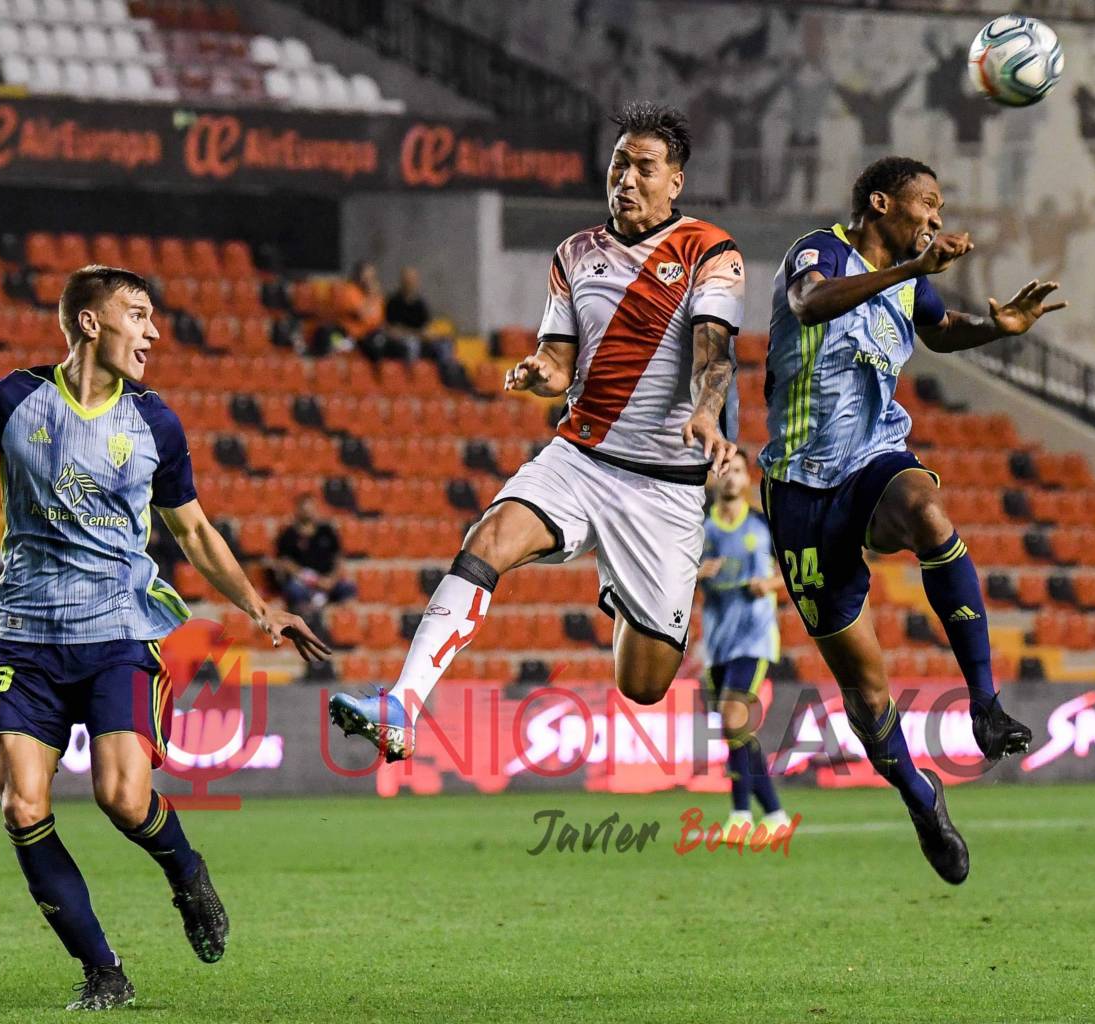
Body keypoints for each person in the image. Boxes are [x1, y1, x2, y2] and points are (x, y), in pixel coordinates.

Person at [0, 265, 332, 1010]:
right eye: (137, 315)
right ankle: (103, 970)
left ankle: (185, 870)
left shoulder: (154, 422)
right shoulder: (11, 399)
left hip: (118, 635)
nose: (152, 331)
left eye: (151, 318)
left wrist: (257, 606)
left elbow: (194, 530)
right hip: (25, 640)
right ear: (89, 323)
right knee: (22, 808)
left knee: (120, 796)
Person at [331, 101, 744, 761]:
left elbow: (715, 349)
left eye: (644, 168)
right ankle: (401, 704)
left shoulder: (709, 249)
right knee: (487, 536)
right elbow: (559, 363)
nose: (627, 180)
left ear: (676, 182)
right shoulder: (575, 253)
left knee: (642, 684)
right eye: (619, 166)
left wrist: (705, 408)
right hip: (580, 458)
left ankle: (633, 589)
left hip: (664, 488)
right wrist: (540, 373)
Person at [762, 157, 1065, 884]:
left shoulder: (908, 280)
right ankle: (920, 797)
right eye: (925, 203)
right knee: (866, 692)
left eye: (937, 207)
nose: (934, 216)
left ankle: (986, 708)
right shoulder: (820, 251)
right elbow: (808, 305)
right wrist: (909, 270)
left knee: (929, 512)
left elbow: (940, 330)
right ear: (880, 202)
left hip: (873, 462)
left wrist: (998, 328)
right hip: (801, 492)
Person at [697, 448, 788, 837]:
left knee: (734, 719)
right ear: (712, 479)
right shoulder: (698, 527)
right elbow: (672, 574)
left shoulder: (763, 526)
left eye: (737, 470)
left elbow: (793, 571)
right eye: (724, 470)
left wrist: (769, 584)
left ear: (748, 479)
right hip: (717, 640)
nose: (731, 477)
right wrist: (695, 571)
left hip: (754, 637)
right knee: (736, 731)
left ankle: (739, 817)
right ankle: (775, 816)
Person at [269, 494, 356, 614]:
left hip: (328, 581)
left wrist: (331, 580)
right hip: (302, 582)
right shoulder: (288, 535)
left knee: (348, 588)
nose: (308, 512)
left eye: (311, 508)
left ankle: (339, 620)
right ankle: (309, 618)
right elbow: (285, 562)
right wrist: (313, 580)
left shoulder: (327, 531)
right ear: (298, 510)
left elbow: (338, 558)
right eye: (304, 509)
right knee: (293, 590)